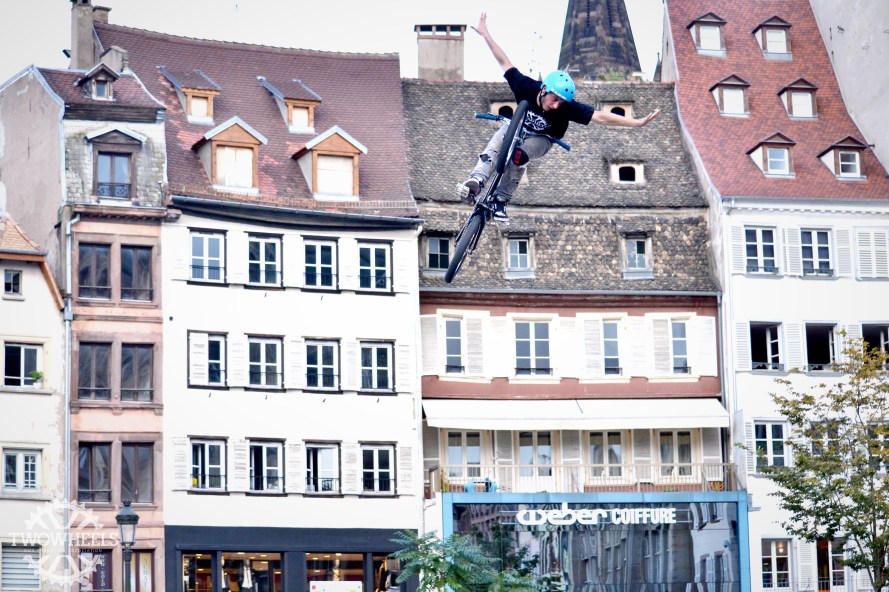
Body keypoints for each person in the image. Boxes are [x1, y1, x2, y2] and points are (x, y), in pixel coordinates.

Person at [457, 12, 662, 223]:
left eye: (561, 103)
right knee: (498, 142)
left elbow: (600, 117)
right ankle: (476, 181)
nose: (556, 106)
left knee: (519, 156)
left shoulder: (567, 108)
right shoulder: (526, 87)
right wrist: (486, 35)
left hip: (543, 139)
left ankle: (500, 199)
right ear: (544, 89)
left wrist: (637, 122)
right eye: (554, 99)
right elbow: (504, 62)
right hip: (517, 127)